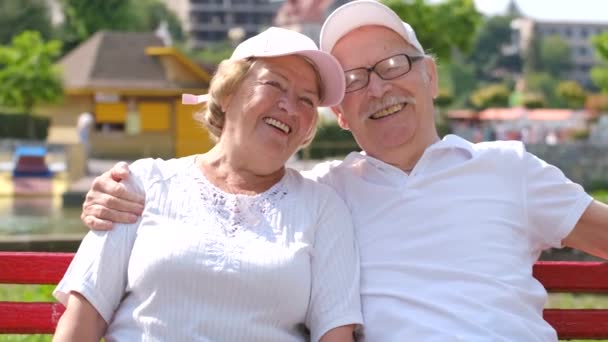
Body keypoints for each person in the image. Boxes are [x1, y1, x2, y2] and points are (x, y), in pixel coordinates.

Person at [80, 1, 608, 340]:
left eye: (394, 65)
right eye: (355, 80)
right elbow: (233, 185)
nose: (378, 88)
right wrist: (111, 193)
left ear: (430, 76)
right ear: (340, 115)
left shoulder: (508, 169)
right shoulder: (323, 193)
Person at [53, 27, 362, 341]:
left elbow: (334, 334)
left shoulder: (323, 208)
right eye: (274, 84)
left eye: (307, 100)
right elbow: (84, 319)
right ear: (227, 93)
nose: (290, 106)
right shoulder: (143, 184)